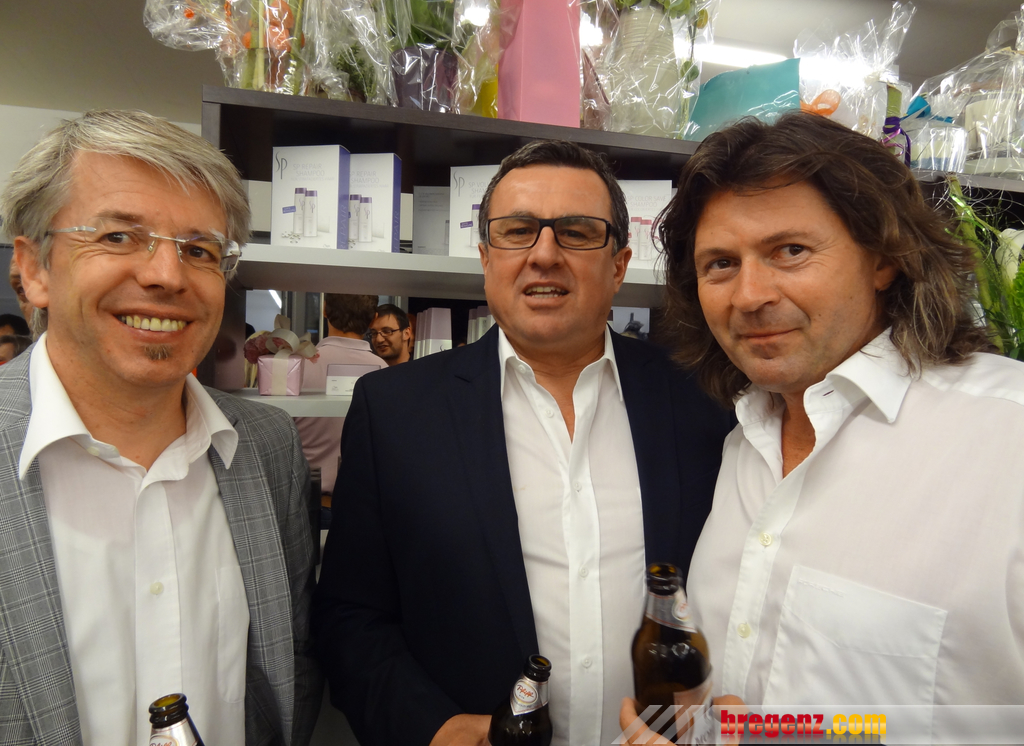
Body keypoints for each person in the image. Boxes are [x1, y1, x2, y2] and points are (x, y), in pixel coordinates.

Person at [314, 139, 733, 746]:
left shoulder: (702, 400)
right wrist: (433, 728)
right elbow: (351, 615)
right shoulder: (396, 411)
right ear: (486, 257)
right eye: (517, 232)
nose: (544, 254)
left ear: (619, 264)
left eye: (577, 232)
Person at [652, 112, 1024, 717]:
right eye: (720, 264)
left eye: (790, 251)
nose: (749, 296)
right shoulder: (745, 440)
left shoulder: (1009, 437)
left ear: (883, 258)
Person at [0, 109, 322, 746]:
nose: (166, 276)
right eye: (119, 236)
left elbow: (290, 666)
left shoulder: (266, 447)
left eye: (199, 250)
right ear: (35, 269)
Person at [294, 293, 387, 506]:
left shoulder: (297, 366)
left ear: (324, 309)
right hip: (362, 506)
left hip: (303, 502)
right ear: (374, 319)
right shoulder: (384, 373)